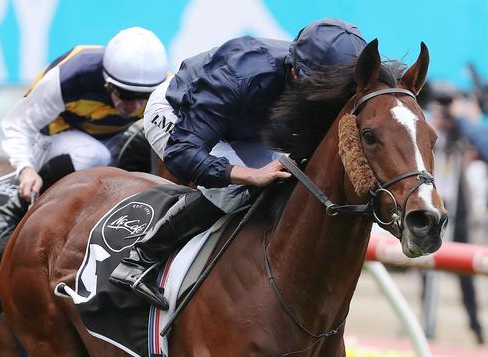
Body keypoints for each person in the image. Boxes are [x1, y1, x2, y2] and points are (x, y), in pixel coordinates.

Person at [109, 18, 367, 309]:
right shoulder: (240, 76)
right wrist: (245, 175)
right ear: (295, 73)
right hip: (181, 113)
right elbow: (183, 152)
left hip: (247, 124)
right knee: (236, 190)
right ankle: (139, 258)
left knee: (287, 180)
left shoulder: (320, 76)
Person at [0, 27, 169, 240]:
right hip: (53, 141)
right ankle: (15, 208)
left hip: (111, 143)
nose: (134, 105)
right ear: (107, 83)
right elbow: (18, 123)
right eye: (126, 95)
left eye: (144, 96)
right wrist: (25, 169)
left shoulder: (166, 89)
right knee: (94, 154)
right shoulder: (72, 75)